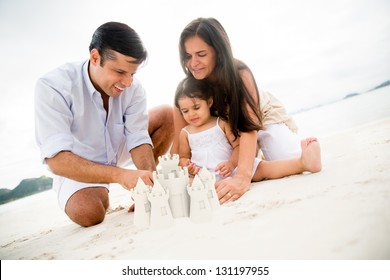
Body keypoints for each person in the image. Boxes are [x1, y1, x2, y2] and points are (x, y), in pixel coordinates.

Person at [35, 22, 173, 227]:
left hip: (118, 149)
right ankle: (101, 188)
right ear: (95, 58)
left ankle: (145, 186)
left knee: (167, 114)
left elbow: (138, 136)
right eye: (119, 71)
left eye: (132, 74)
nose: (127, 83)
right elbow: (57, 160)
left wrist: (151, 186)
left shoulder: (133, 87)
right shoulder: (53, 86)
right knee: (88, 212)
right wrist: (120, 175)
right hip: (81, 162)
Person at [171, 17, 321, 204]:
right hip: (230, 135)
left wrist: (242, 177)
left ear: (217, 51)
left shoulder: (239, 73)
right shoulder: (189, 88)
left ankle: (289, 147)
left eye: (201, 54)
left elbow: (248, 127)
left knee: (288, 158)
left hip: (260, 119)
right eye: (188, 56)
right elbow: (177, 147)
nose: (193, 63)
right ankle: (256, 155)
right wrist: (161, 185)